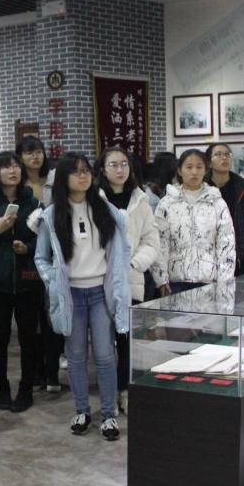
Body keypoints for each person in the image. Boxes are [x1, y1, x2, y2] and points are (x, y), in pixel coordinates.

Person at [34, 153, 131, 440]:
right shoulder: (52, 215)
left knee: (105, 355)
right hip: (71, 294)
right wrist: (53, 280)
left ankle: (109, 414)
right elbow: (41, 257)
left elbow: (122, 250)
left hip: (101, 293)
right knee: (75, 356)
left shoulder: (106, 210)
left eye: (86, 171)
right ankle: (82, 410)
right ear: (64, 178)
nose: (83, 176)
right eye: (76, 172)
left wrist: (120, 277)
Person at [95, 145, 159, 415]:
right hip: (98, 279)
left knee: (126, 341)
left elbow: (151, 241)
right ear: (102, 169)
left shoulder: (140, 200)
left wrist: (133, 263)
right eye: (113, 164)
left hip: (131, 279)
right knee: (102, 344)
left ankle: (125, 391)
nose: (120, 169)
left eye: (124, 164)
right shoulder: (94, 201)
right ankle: (107, 394)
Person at [0, 152, 42, 413]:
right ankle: (1, 389)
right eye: (6, 167)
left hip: (28, 280)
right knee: (0, 338)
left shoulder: (33, 202)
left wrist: (27, 248)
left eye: (16, 166)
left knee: (29, 338)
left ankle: (26, 389)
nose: (13, 170)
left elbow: (44, 238)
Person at [151, 149, 236, 295]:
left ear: (206, 170)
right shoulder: (167, 203)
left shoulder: (216, 202)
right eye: (189, 167)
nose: (194, 172)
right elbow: (160, 242)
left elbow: (226, 243)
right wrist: (161, 279)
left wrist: (224, 282)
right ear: (179, 170)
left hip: (209, 281)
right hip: (175, 282)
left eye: (199, 167)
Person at [18, 135, 62, 394]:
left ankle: (51, 372)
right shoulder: (19, 185)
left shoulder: (54, 180)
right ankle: (35, 371)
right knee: (31, 318)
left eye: (38, 151)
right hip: (26, 259)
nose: (35, 156)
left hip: (54, 255)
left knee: (52, 317)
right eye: (29, 152)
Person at [207, 143, 244, 275]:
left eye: (227, 154)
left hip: (238, 260)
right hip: (209, 260)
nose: (224, 158)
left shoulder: (242, 187)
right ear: (209, 162)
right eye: (218, 154)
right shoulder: (203, 187)